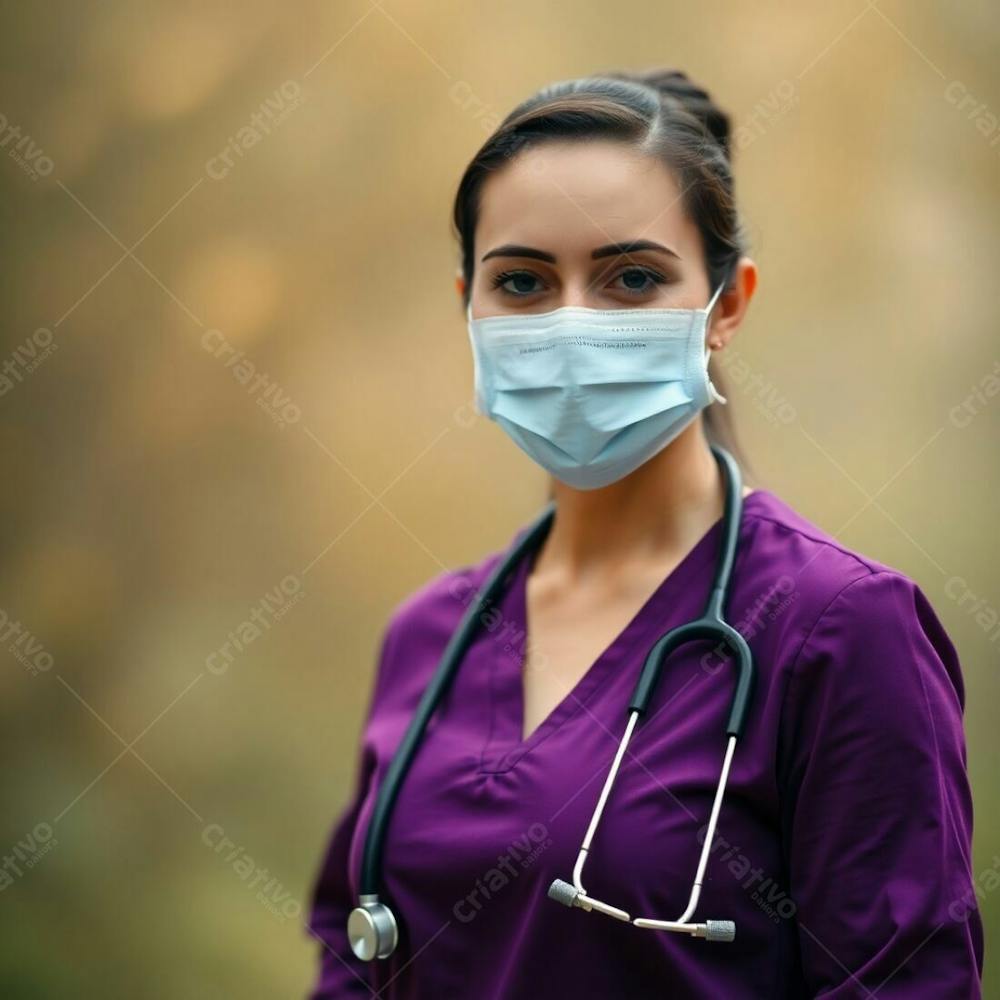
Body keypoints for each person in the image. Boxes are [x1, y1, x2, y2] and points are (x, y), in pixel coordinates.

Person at [305, 68, 984, 998]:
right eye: (523, 281)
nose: (573, 321)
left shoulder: (841, 631)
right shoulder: (430, 634)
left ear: (728, 305)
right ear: (471, 303)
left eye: (632, 277)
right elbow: (351, 956)